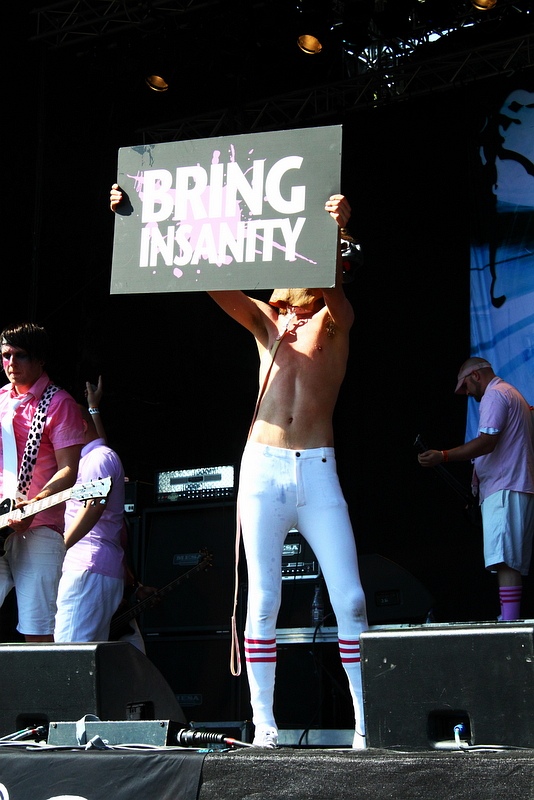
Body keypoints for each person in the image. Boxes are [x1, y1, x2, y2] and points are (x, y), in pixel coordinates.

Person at [111, 186, 368, 748]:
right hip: (264, 467)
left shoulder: (336, 320)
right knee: (264, 597)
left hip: (317, 469)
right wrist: (144, 216)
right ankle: (265, 724)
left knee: (350, 597)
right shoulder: (268, 325)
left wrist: (331, 230)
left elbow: (334, 286)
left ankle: (366, 724)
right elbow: (212, 279)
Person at [418, 357, 534, 621]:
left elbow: (487, 443)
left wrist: (443, 456)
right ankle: (508, 617)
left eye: (466, 386)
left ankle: (509, 622)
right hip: (513, 485)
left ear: (476, 376)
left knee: (506, 559)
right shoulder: (512, 394)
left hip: (506, 486)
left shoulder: (495, 395)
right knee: (508, 559)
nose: (467, 393)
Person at [0, 322, 84, 642]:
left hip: (40, 529)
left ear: (40, 360)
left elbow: (68, 470)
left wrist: (33, 505)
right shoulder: (1, 401)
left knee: (38, 632)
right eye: (6, 356)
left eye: (20, 356)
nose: (11, 364)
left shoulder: (58, 402)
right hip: (2, 521)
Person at [54, 399, 126, 642]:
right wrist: (94, 406)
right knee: (83, 660)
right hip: (92, 567)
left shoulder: (98, 458)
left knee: (68, 656)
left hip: (88, 566)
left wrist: (59, 547)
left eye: (64, 430)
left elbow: (94, 507)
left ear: (81, 427)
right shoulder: (94, 457)